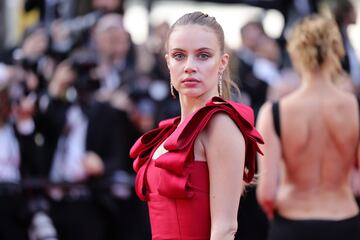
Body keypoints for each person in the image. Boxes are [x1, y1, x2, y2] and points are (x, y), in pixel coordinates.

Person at [130, 11, 264, 240]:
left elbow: (225, 229)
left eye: (203, 55)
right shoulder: (170, 131)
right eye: (179, 56)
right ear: (168, 63)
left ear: (222, 62)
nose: (190, 66)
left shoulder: (220, 124)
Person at [256, 15, 360, 240]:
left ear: (296, 54)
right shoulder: (354, 108)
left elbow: (266, 192)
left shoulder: (274, 112)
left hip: (292, 223)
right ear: (336, 52)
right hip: (344, 221)